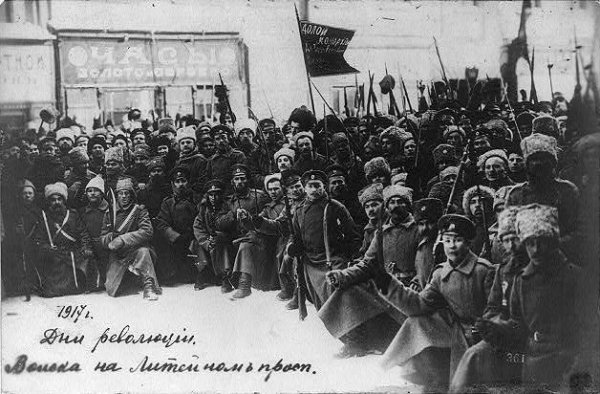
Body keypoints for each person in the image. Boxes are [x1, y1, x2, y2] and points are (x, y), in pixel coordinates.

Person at [378, 214, 494, 392]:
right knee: (416, 322)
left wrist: (483, 330)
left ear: (469, 243)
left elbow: (495, 310)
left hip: (482, 333)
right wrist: (390, 285)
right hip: (456, 331)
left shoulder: (483, 270)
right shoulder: (440, 273)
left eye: (458, 240)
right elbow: (419, 304)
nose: (452, 246)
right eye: (447, 240)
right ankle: (433, 380)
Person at [450, 207, 528, 392]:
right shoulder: (502, 271)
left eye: (515, 238)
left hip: (529, 341)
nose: (511, 246)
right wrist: (492, 324)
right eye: (506, 240)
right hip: (503, 337)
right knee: (473, 356)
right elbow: (493, 306)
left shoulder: (540, 269)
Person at [505, 204, 582, 390]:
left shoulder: (575, 276)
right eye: (530, 243)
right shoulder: (521, 280)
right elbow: (517, 323)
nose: (536, 249)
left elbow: (588, 328)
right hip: (534, 363)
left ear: (553, 241)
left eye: (542, 241)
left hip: (570, 362)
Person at [287, 169, 361, 310]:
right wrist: (292, 245)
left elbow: (352, 234)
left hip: (333, 258)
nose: (314, 190)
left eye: (318, 185)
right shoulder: (299, 210)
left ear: (324, 186)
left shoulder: (335, 207)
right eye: (310, 186)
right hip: (310, 261)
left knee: (338, 295)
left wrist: (352, 256)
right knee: (320, 301)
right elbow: (295, 234)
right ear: (304, 188)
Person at [506, 133, 579, 259]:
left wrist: (553, 246)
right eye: (534, 159)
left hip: (562, 258)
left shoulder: (567, 190)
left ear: (553, 163)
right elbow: (509, 233)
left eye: (544, 158)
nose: (539, 163)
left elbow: (580, 229)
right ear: (527, 164)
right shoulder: (516, 195)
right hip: (526, 260)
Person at [100, 178, 160, 301]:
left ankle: (149, 287)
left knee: (144, 252)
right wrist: (111, 238)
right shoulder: (109, 214)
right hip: (118, 255)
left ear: (131, 195)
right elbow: (102, 238)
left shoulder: (139, 211)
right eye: (121, 193)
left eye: (127, 193)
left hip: (135, 250)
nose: (124, 196)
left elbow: (147, 231)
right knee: (112, 289)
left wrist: (123, 239)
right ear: (117, 195)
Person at [33, 182, 92, 297]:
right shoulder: (44, 218)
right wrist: (47, 248)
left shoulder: (73, 215)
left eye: (59, 199)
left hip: (73, 254)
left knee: (82, 276)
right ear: (49, 202)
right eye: (53, 200)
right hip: (55, 255)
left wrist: (85, 247)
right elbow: (39, 239)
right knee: (51, 290)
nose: (56, 203)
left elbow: (83, 234)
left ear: (64, 200)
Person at [228, 164, 272, 298]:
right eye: (237, 179)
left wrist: (251, 219)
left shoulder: (260, 196)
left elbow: (269, 213)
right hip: (236, 236)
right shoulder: (228, 201)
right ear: (232, 182)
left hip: (257, 237)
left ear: (248, 180)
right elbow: (220, 221)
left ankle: (244, 285)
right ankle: (225, 279)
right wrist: (233, 215)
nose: (240, 182)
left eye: (243, 178)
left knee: (246, 246)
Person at [155, 166, 199, 286]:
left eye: (183, 181)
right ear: (172, 184)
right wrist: (175, 236)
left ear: (188, 182)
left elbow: (202, 219)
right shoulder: (167, 202)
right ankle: (170, 274)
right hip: (175, 239)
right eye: (177, 182)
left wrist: (192, 235)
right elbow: (161, 223)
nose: (181, 185)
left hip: (193, 237)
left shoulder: (197, 200)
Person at [193, 179, 238, 293]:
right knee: (195, 243)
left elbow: (230, 224)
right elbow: (198, 227)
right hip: (209, 240)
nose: (213, 197)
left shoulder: (227, 207)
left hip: (225, 240)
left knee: (219, 240)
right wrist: (207, 242)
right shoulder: (203, 208)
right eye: (211, 195)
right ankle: (202, 272)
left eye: (217, 194)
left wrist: (216, 236)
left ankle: (225, 276)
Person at [79, 176, 110, 292]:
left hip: (106, 247)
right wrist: (86, 246)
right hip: (90, 247)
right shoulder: (83, 212)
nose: (92, 193)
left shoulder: (110, 210)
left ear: (102, 193)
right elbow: (82, 232)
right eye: (89, 191)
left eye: (96, 190)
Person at [410, 198, 444, 291]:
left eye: (430, 223)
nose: (425, 228)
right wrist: (416, 281)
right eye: (421, 224)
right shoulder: (422, 246)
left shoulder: (446, 247)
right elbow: (422, 272)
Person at [174, 126, 208, 202]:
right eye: (182, 143)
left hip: (196, 196)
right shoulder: (179, 162)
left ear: (194, 144)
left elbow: (202, 181)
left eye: (188, 142)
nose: (185, 145)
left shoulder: (200, 160)